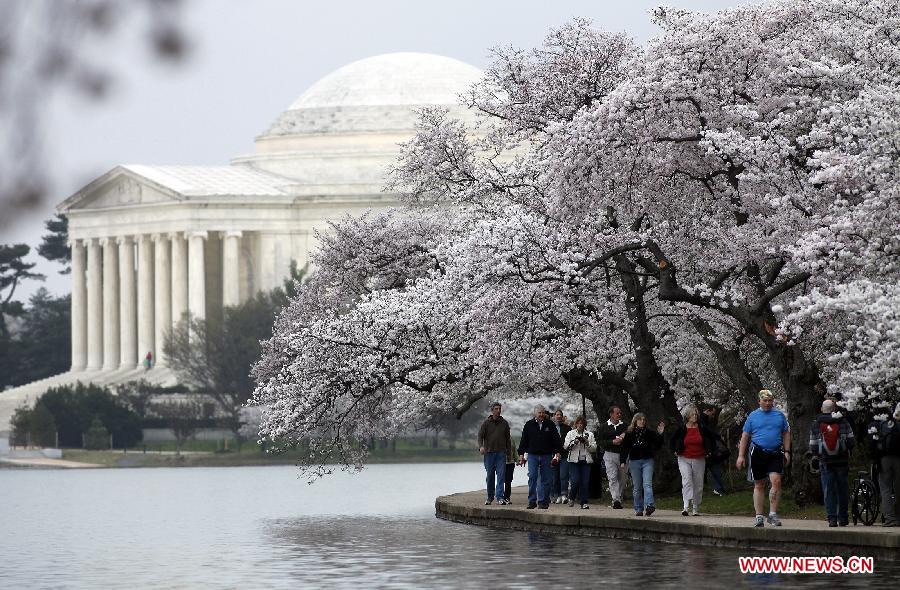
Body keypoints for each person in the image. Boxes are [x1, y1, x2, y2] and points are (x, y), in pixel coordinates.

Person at [736, 389, 791, 527]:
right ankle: (759, 515)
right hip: (758, 451)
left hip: (775, 451)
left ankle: (772, 514)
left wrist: (787, 451)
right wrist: (741, 456)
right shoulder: (753, 416)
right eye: (765, 401)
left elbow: (786, 433)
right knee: (759, 484)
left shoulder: (779, 415)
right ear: (759, 401)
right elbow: (745, 436)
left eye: (770, 401)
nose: (767, 403)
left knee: (776, 481)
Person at [808, 399, 855, 527]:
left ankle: (832, 518)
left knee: (828, 490)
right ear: (834, 409)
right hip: (842, 460)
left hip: (825, 461)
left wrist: (818, 455)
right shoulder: (843, 421)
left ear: (822, 409)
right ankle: (843, 518)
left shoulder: (816, 424)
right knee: (842, 489)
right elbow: (851, 441)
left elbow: (813, 446)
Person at [671, 405, 716, 516]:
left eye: (696, 414)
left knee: (698, 483)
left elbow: (712, 438)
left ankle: (695, 507)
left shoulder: (701, 427)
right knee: (687, 481)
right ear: (687, 416)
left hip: (699, 458)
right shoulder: (682, 428)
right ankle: (686, 506)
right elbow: (672, 439)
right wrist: (674, 450)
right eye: (692, 414)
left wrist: (709, 451)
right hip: (684, 458)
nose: (694, 416)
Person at [517, 404, 563, 509]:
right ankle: (532, 501)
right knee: (532, 477)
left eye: (543, 412)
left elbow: (556, 440)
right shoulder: (529, 425)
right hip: (532, 455)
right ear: (535, 413)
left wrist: (557, 452)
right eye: (539, 413)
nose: (541, 414)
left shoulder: (550, 424)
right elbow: (524, 441)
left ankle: (543, 501)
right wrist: (521, 455)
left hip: (546, 455)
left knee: (546, 479)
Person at [620, 412, 665, 516]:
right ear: (635, 421)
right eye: (640, 419)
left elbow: (658, 445)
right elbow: (625, 448)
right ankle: (638, 508)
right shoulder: (629, 433)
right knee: (637, 486)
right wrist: (622, 461)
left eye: (644, 420)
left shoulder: (649, 433)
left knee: (647, 484)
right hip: (634, 461)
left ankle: (649, 505)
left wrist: (660, 434)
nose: (642, 421)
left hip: (647, 460)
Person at [870, 401, 900, 527]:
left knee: (885, 488)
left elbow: (873, 444)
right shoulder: (897, 425)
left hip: (884, 459)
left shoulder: (880, 424)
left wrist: (875, 459)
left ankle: (890, 518)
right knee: (898, 487)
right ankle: (898, 515)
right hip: (899, 458)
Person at [478, 402, 511, 505]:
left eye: (499, 408)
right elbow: (480, 437)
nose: (498, 410)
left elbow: (508, 439)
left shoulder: (504, 423)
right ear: (492, 410)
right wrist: (481, 447)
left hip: (501, 453)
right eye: (496, 409)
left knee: (501, 476)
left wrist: (509, 452)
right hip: (489, 453)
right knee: (490, 476)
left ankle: (500, 497)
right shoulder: (486, 423)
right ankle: (489, 497)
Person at [563, 415, 597, 509]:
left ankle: (584, 502)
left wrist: (587, 443)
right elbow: (565, 446)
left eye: (582, 423)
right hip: (573, 461)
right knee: (575, 481)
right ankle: (572, 498)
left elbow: (594, 449)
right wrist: (574, 442)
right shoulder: (570, 433)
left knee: (585, 482)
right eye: (578, 423)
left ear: (584, 424)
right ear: (576, 424)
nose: (580, 425)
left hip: (586, 461)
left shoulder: (589, 434)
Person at [598, 405, 627, 509]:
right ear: (611, 414)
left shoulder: (624, 425)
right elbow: (600, 441)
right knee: (612, 477)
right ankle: (616, 500)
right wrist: (612, 442)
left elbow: (629, 436)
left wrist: (624, 436)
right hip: (609, 454)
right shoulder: (603, 427)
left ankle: (619, 496)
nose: (619, 415)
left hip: (623, 455)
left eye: (620, 413)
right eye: (617, 413)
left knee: (622, 479)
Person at [700, 405, 728, 496]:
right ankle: (718, 488)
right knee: (715, 469)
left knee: (715, 469)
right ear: (708, 411)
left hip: (708, 448)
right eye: (712, 413)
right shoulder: (702, 420)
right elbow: (707, 432)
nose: (713, 416)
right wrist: (718, 437)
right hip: (708, 449)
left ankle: (718, 488)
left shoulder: (703, 420)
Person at [551, 409, 572, 503]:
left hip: (564, 455)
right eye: (557, 415)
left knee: (564, 476)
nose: (559, 416)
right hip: (553, 456)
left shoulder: (567, 428)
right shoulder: (550, 428)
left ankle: (564, 494)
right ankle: (557, 495)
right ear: (554, 416)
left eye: (560, 415)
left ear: (562, 417)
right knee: (555, 477)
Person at [503, 428, 518, 504]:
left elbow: (514, 450)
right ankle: (501, 496)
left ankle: (507, 497)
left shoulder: (511, 438)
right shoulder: (500, 438)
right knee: (501, 480)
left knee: (508, 480)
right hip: (501, 463)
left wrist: (517, 460)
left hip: (511, 463)